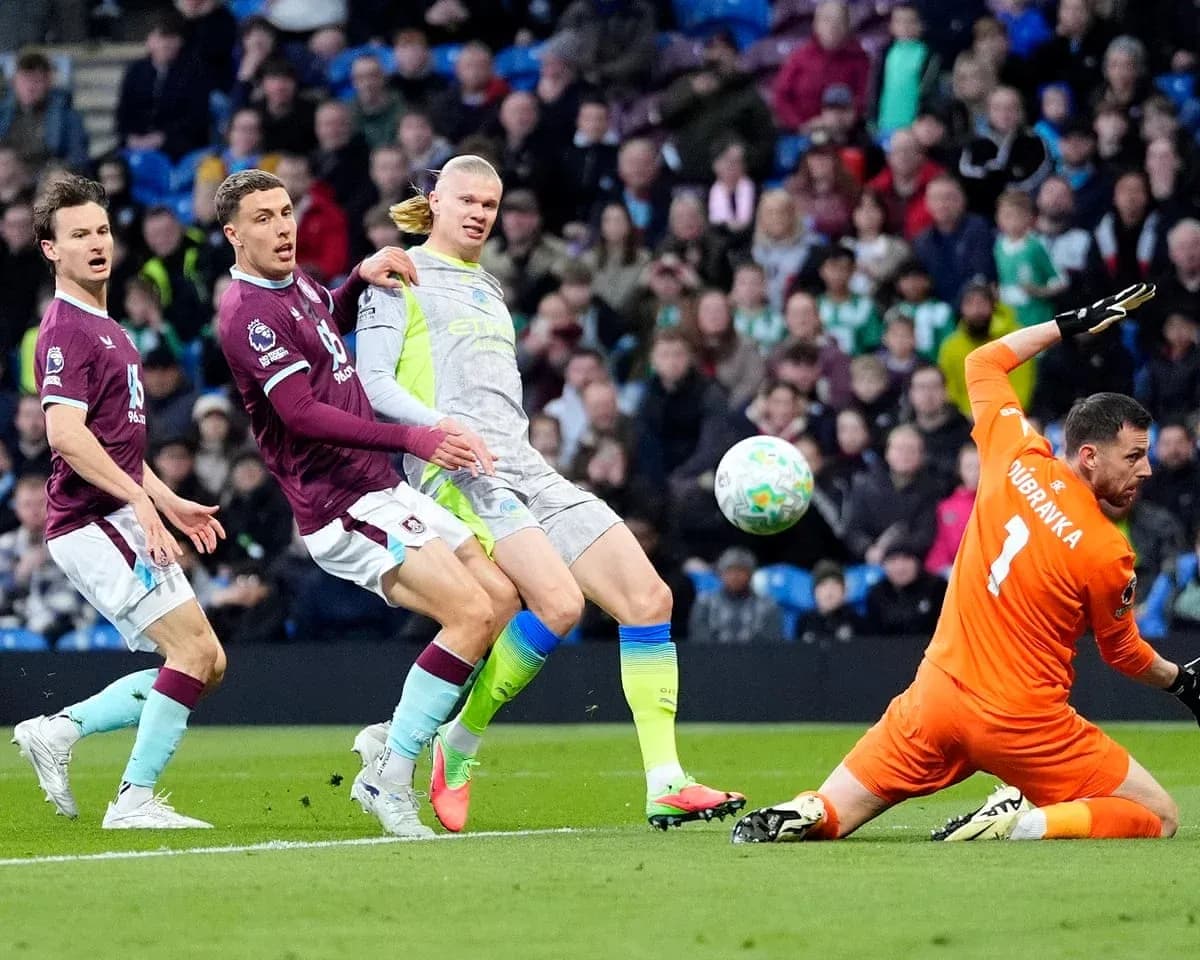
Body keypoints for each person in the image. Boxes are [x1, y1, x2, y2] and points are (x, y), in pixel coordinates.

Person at [354, 154, 745, 831]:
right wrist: (434, 428)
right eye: (467, 199)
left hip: (525, 465)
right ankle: (460, 742)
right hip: (457, 469)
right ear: (435, 200)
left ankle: (665, 782)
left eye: (491, 204)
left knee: (649, 598)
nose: (479, 212)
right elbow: (371, 384)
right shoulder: (396, 277)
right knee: (558, 603)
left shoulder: (490, 287)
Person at [733, 281, 1200, 846]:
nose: (1145, 470)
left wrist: (1069, 324)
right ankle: (1022, 820)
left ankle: (802, 810)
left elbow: (984, 362)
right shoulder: (1109, 551)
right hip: (1023, 723)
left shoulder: (1014, 455)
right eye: (1134, 456)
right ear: (1089, 455)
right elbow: (1123, 655)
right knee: (1157, 816)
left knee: (835, 812)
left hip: (935, 698)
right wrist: (1181, 682)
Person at [213, 168, 519, 838]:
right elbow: (302, 414)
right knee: (467, 612)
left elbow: (326, 325)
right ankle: (390, 774)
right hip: (339, 502)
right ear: (234, 235)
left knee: (500, 601)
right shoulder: (246, 316)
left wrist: (356, 279)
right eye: (262, 218)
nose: (282, 226)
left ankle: (391, 735)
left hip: (380, 488)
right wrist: (413, 435)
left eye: (286, 210)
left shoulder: (295, 283)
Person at [12, 175, 228, 829]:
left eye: (101, 230)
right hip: (89, 521)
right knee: (192, 654)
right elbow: (66, 437)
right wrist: (142, 505)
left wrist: (169, 499)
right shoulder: (66, 330)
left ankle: (61, 730)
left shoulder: (113, 329)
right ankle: (132, 799)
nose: (96, 243)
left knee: (206, 663)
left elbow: (119, 448)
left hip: (115, 511)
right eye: (78, 235)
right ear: (51, 250)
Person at [688, 547, 784, 646]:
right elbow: (699, 640)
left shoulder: (768, 605)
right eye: (730, 571)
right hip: (714, 657)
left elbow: (772, 643)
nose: (735, 577)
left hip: (755, 658)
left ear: (750, 574)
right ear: (721, 574)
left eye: (741, 571)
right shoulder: (705, 603)